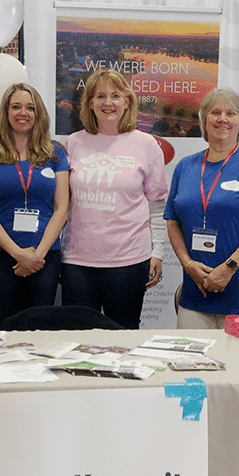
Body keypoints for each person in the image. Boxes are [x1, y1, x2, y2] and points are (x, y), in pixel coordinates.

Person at [165, 88, 239, 328]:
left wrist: (228, 268)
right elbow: (172, 222)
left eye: (231, 113)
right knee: (192, 361)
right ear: (203, 121)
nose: (222, 119)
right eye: (215, 112)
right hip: (197, 288)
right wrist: (187, 264)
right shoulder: (186, 166)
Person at [61, 69, 169, 329]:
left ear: (127, 102)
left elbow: (158, 206)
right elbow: (62, 204)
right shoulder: (73, 143)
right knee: (78, 339)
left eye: (115, 96)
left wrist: (158, 252)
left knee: (122, 336)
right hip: (77, 261)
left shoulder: (146, 145)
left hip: (128, 261)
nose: (108, 102)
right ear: (90, 104)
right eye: (100, 96)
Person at [0, 83, 70, 329]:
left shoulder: (55, 153)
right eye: (15, 107)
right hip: (0, 258)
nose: (22, 113)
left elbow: (62, 209)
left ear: (39, 114)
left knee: (40, 330)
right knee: (4, 328)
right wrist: (19, 254)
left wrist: (37, 255)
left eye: (29, 107)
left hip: (44, 257)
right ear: (5, 112)